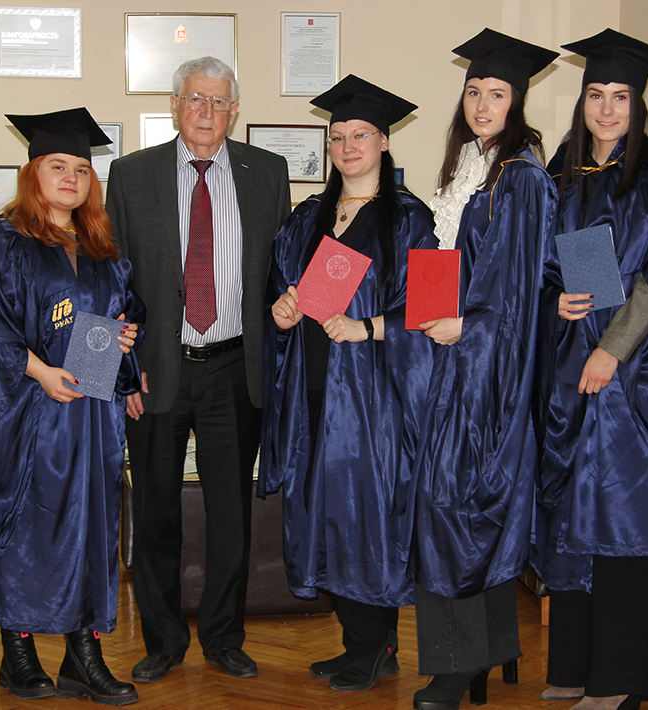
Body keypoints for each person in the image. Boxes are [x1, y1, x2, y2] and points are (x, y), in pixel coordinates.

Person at [105, 56, 290, 683]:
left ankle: (223, 636)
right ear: (175, 106)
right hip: (157, 371)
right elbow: (108, 276)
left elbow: (282, 270)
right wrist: (112, 376)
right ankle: (161, 640)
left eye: (218, 101)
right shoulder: (132, 175)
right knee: (155, 511)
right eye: (194, 99)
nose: (206, 112)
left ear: (234, 111)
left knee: (230, 515)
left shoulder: (268, 172)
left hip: (236, 367)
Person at [0, 107, 143, 706]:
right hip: (29, 411)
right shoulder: (4, 241)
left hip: (90, 415)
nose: (71, 178)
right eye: (58, 166)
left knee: (90, 529)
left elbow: (124, 312)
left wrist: (125, 339)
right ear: (33, 172)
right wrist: (39, 371)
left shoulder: (102, 248)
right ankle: (18, 653)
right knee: (30, 528)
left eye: (82, 170)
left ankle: (83, 656)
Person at [260, 76, 434, 693]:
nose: (348, 146)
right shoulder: (307, 218)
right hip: (310, 391)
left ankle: (373, 646)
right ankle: (360, 644)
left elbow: (434, 312)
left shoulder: (412, 219)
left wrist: (369, 328)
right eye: (338, 137)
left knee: (366, 516)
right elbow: (285, 293)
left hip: (371, 398)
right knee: (325, 514)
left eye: (361, 135)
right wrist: (282, 311)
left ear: (384, 141)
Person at [407, 29, 558, 710]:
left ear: (517, 101)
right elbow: (452, 264)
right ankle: (491, 650)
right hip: (456, 361)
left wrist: (468, 326)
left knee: (453, 507)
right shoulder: (470, 167)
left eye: (497, 94)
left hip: (486, 370)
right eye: (474, 91)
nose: (482, 104)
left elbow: (516, 287)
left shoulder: (520, 177)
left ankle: (458, 665)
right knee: (462, 506)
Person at [532, 29, 648, 710]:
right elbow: (543, 268)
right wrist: (555, 300)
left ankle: (619, 679)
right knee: (571, 515)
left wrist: (612, 348)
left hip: (633, 377)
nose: (607, 108)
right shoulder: (562, 175)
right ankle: (573, 665)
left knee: (621, 516)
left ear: (637, 105)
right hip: (570, 371)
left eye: (621, 96)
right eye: (596, 94)